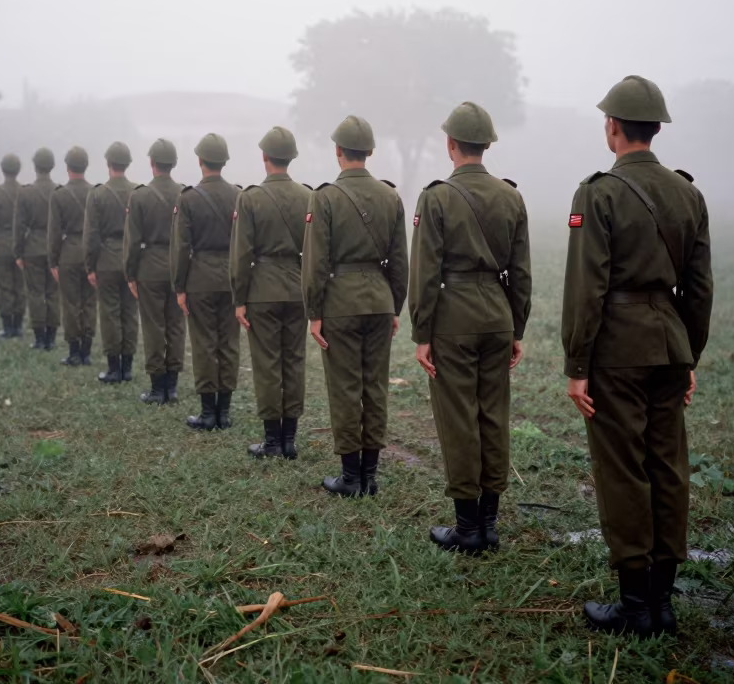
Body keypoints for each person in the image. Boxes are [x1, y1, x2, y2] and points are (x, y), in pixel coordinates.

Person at [562, 75, 713, 638]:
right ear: (654, 128)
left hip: (617, 351)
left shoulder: (597, 191)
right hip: (670, 343)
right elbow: (699, 288)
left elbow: (586, 288)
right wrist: (688, 355)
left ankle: (635, 605)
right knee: (668, 466)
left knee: (623, 468)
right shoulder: (687, 192)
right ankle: (662, 602)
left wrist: (578, 365)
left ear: (613, 127)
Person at [409, 102, 532, 553]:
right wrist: (516, 327)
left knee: (459, 419)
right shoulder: (511, 196)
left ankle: (467, 528)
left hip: (453, 319)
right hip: (498, 316)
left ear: (451, 144)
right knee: (493, 417)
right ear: (487, 145)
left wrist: (422, 333)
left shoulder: (437, 196)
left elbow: (424, 272)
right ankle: (491, 523)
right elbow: (521, 272)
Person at [302, 115, 408, 498]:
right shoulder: (390, 195)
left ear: (337, 151)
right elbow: (399, 261)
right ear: (371, 152)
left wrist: (314, 312)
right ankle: (371, 475)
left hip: (340, 303)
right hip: (380, 301)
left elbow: (315, 262)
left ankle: (351, 478)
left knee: (346, 387)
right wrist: (394, 306)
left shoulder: (325, 196)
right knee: (375, 385)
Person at [230, 126, 311, 459]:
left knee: (267, 364)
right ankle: (290, 440)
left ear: (265, 157)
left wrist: (239, 298)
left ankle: (273, 442)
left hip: (261, 289)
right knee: (294, 361)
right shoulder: (309, 195)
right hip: (297, 289)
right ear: (291, 158)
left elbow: (241, 255)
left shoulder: (250, 198)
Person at [171, 133, 241, 431]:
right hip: (231, 279)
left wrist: (179, 286)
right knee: (229, 343)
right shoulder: (239, 194)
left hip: (199, 279)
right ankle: (224, 413)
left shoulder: (188, 198)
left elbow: (181, 246)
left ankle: (207, 414)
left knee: (203, 344)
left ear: (200, 161)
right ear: (224, 162)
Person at [123, 139, 185, 405]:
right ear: (173, 164)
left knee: (153, 327)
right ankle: (172, 386)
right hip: (178, 266)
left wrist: (130, 273)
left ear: (152, 164)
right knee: (176, 325)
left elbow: (133, 240)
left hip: (149, 268)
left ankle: (157, 388)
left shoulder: (140, 196)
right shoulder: (185, 193)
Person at [84, 141, 140, 384]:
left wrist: (90, 266)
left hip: (106, 261)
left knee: (109, 313)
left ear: (108, 164)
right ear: (127, 164)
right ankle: (127, 367)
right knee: (130, 313)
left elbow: (91, 235)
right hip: (132, 260)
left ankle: (113, 368)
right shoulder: (138, 191)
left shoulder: (98, 194)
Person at [49, 146, 97, 366]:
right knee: (89, 302)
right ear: (85, 166)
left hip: (68, 253)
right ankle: (86, 351)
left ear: (67, 167)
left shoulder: (59, 195)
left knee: (70, 304)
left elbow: (55, 232)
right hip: (91, 254)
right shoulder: (96, 192)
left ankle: (74, 352)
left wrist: (53, 260)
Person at [14, 148, 61, 350]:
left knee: (35, 293)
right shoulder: (60, 190)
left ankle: (39, 338)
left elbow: (19, 226)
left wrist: (18, 252)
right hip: (55, 249)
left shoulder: (25, 192)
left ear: (35, 166)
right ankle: (51, 338)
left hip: (32, 247)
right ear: (52, 166)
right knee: (52, 293)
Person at [0, 154, 26, 339]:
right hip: (22, 245)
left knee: (4, 286)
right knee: (19, 286)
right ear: (18, 170)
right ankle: (18, 326)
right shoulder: (25, 192)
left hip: (1, 244)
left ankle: (8, 327)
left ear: (2, 170)